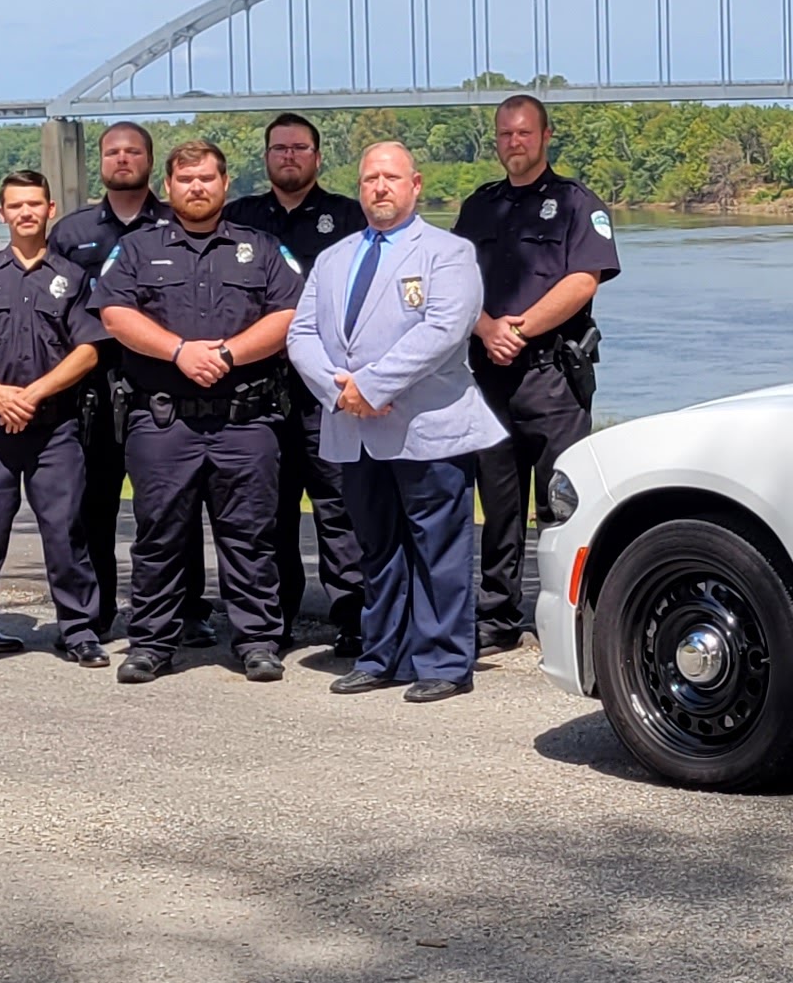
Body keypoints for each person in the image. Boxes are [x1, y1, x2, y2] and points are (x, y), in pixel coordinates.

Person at [288, 141, 502, 703]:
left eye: (390, 178)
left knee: (439, 548)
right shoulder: (334, 259)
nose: (378, 188)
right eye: (368, 179)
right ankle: (381, 654)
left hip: (426, 427)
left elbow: (444, 329)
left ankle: (444, 662)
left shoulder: (448, 253)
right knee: (376, 549)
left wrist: (373, 385)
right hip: (355, 427)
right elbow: (300, 333)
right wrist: (341, 392)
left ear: (416, 184)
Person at [88, 139, 306, 684]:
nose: (197, 188)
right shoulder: (138, 249)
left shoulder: (260, 248)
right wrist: (179, 351)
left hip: (245, 419)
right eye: (186, 180)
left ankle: (257, 639)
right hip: (164, 421)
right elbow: (114, 313)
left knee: (251, 535)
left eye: (207, 178)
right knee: (159, 536)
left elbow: (292, 312)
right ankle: (151, 643)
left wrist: (229, 353)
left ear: (225, 184)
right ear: (170, 187)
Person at [455, 91, 618, 653]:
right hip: (490, 376)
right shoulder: (479, 206)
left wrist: (518, 329)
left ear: (546, 137)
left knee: (563, 505)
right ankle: (497, 618)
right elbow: (456, 283)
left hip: (552, 377)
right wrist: (485, 329)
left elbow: (583, 281)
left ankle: (570, 623)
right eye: (504, 134)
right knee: (498, 506)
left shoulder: (576, 203)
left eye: (524, 133)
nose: (513, 144)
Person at [0, 169, 108, 667]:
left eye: (35, 204)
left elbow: (89, 351)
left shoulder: (72, 279)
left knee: (65, 528)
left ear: (50, 210)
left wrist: (31, 394)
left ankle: (78, 630)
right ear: (3, 213)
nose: (26, 212)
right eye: (16, 205)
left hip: (55, 427)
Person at [224, 111, 370, 647]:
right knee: (268, 508)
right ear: (266, 158)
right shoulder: (237, 218)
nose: (289, 156)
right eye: (279, 148)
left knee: (338, 505)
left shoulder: (349, 218)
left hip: (326, 388)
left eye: (299, 148)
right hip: (257, 389)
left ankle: (354, 616)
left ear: (316, 156)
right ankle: (273, 617)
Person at [47, 121, 177, 660]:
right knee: (92, 506)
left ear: (151, 160)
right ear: (100, 162)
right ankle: (93, 614)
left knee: (170, 506)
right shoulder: (72, 232)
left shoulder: (177, 223)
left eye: (134, 152)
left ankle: (182, 612)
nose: (123, 160)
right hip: (92, 391)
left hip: (162, 388)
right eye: (113, 152)